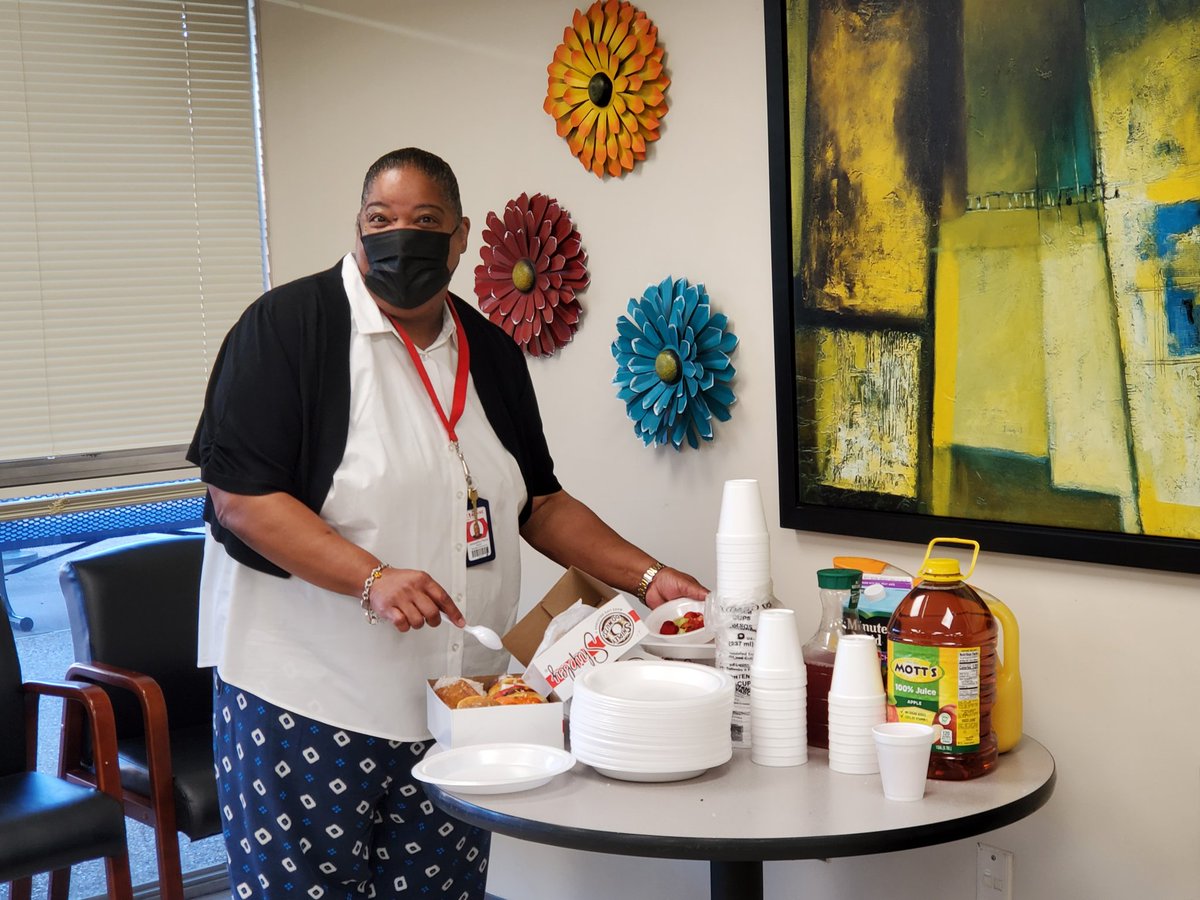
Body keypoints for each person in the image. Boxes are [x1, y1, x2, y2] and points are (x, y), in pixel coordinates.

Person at [187, 146, 708, 900]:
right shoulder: (287, 330)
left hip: (459, 711)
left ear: (462, 236)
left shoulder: (488, 350)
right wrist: (371, 577)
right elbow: (241, 499)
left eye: (425, 221)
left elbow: (540, 503)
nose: (402, 235)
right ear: (358, 230)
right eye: (381, 219)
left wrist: (652, 578)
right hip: (308, 702)